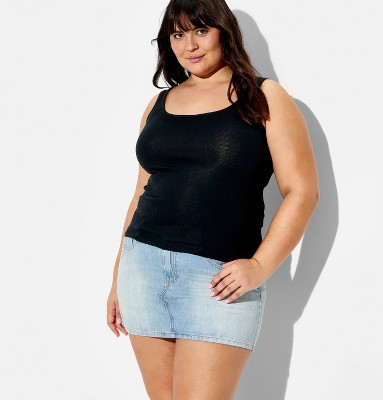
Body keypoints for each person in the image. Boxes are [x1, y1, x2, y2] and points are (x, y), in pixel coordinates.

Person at [106, 0, 319, 398]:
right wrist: (118, 279)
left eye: (201, 30)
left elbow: (302, 191)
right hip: (143, 272)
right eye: (178, 34)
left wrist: (260, 266)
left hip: (217, 281)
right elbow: (140, 194)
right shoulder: (158, 105)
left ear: (225, 32)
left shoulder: (264, 97)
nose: (190, 45)